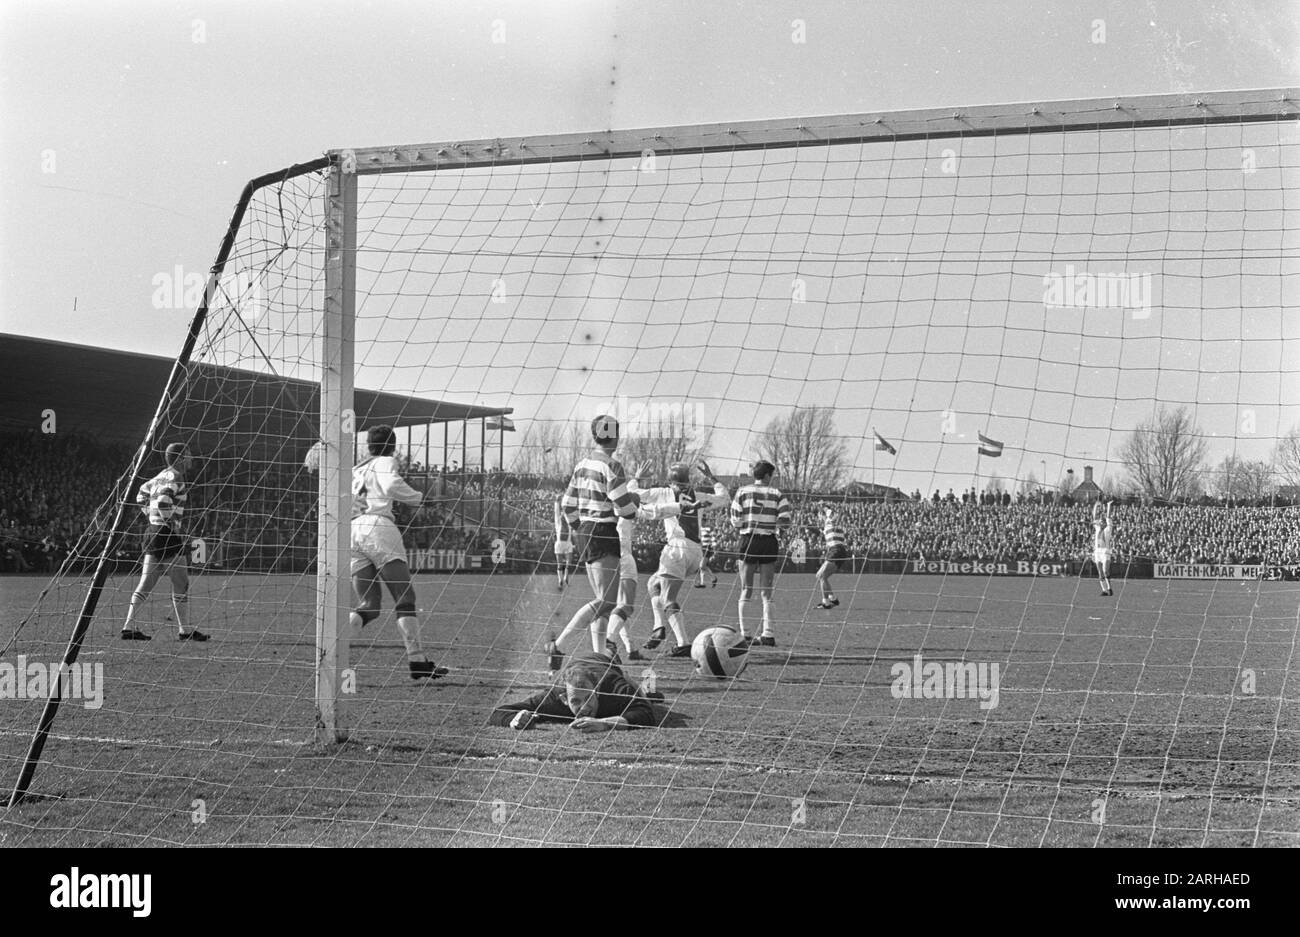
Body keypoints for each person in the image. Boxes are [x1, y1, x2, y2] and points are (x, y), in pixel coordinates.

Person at [350, 425, 448, 680]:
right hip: (378, 527)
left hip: (352, 531)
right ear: (392, 446)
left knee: (369, 606)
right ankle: (417, 661)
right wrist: (419, 498)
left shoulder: (356, 469)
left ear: (368, 445)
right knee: (405, 597)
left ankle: (330, 646)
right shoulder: (385, 461)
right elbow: (391, 484)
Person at [546, 415, 639, 673]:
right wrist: (634, 508)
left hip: (586, 531)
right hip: (603, 531)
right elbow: (623, 506)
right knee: (607, 600)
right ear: (615, 437)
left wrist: (579, 529)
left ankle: (602, 661)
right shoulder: (612, 466)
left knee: (603, 601)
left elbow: (567, 505)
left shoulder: (581, 465)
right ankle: (560, 645)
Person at [638, 460, 730, 657]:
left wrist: (638, 478)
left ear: (670, 481)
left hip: (676, 548)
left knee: (668, 598)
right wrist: (711, 477)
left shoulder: (663, 493)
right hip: (695, 551)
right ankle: (658, 627)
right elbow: (724, 498)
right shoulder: (698, 494)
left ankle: (683, 643)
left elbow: (634, 495)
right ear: (688, 479)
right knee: (653, 584)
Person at [121, 442, 209, 641]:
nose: (191, 459)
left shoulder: (159, 476)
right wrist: (171, 524)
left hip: (152, 532)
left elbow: (140, 495)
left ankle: (128, 627)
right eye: (188, 455)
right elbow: (162, 502)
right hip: (167, 534)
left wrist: (152, 517)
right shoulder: (176, 477)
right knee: (181, 583)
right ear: (179, 458)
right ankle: (185, 630)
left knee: (147, 582)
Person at [488, 650, 661, 732]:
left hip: (604, 662)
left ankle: (645, 688)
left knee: (642, 697)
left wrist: (605, 722)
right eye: (576, 701)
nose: (584, 707)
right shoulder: (553, 698)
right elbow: (500, 712)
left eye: (588, 698)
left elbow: (646, 713)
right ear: (564, 699)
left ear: (597, 692)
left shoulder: (613, 687)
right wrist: (514, 719)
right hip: (574, 663)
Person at [729, 460, 792, 646]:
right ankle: (768, 634)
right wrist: (771, 523)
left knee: (746, 589)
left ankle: (745, 634)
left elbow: (735, 520)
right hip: (768, 541)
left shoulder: (742, 492)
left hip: (749, 541)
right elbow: (785, 521)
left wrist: (750, 521)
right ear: (766, 476)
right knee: (767, 590)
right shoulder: (777, 494)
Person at [815, 506, 849, 610]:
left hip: (836, 550)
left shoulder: (830, 521)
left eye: (820, 516)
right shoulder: (826, 525)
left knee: (820, 576)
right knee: (822, 577)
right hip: (839, 551)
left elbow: (832, 513)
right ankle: (832, 599)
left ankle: (826, 602)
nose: (819, 517)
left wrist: (823, 507)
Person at [1093, 499, 1114, 597]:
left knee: (1106, 571)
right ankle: (1104, 590)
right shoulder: (1097, 528)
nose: (1100, 522)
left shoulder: (1108, 529)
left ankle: (1109, 588)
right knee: (1100, 573)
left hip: (1105, 551)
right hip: (1097, 552)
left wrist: (1109, 506)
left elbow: (1108, 516)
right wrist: (1095, 506)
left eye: (1102, 522)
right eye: (1100, 522)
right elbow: (1094, 517)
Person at [552, 496, 573, 591]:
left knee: (569, 561)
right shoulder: (558, 522)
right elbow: (556, 512)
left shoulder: (569, 523)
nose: (562, 515)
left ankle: (566, 576)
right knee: (559, 564)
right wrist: (557, 501)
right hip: (559, 544)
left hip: (568, 543)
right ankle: (560, 580)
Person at [696, 521, 719, 589]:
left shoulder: (709, 528)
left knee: (702, 566)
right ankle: (703, 583)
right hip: (702, 548)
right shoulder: (700, 528)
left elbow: (714, 538)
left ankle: (713, 578)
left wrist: (714, 548)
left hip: (707, 548)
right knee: (702, 566)